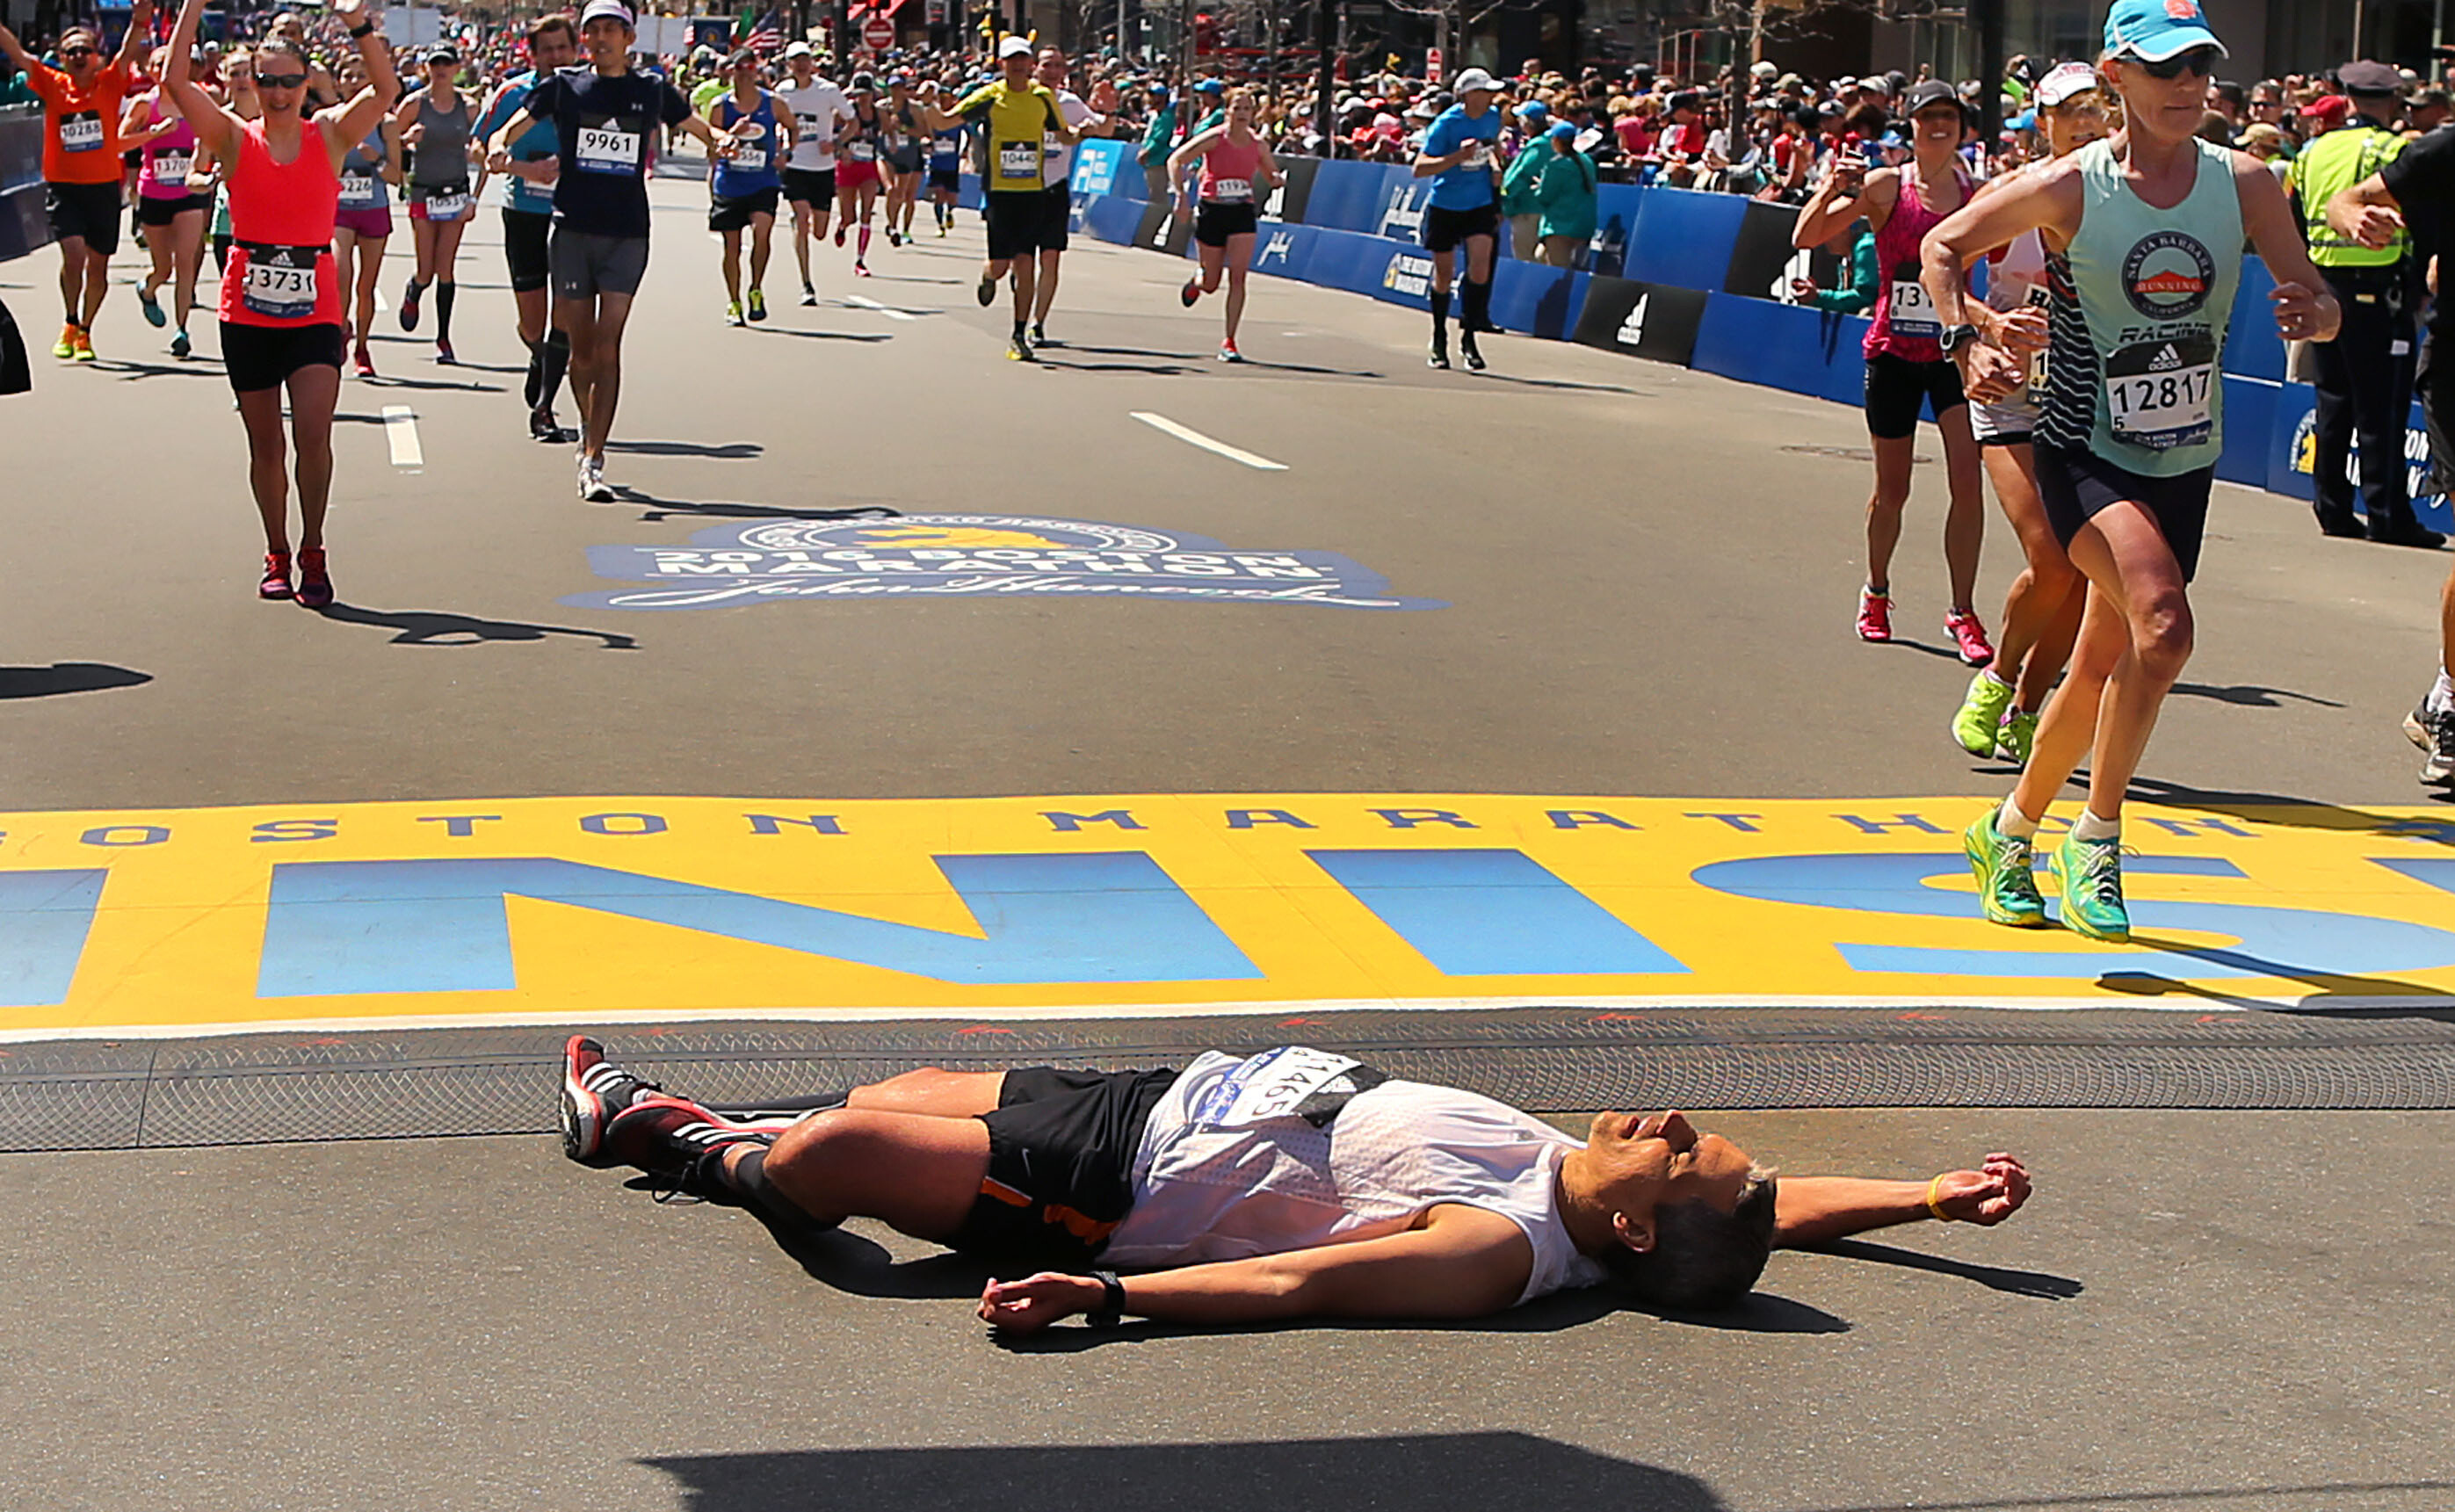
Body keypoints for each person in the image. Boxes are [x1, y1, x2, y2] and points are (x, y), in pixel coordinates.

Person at [556, 1037, 2033, 1331]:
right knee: (887, 1094)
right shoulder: (1617, 1194)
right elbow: (1764, 1212)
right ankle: (736, 1133)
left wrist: (1109, 1296)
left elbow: (1297, 1280)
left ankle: (661, 1133)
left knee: (832, 1159)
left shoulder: (1496, 1245)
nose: (1673, 1118)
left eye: (1679, 1145)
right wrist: (1921, 1196)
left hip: (1109, 1185)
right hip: (1165, 1095)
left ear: (1632, 1224)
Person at [1934, 0, 2339, 942]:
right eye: (2165, 69)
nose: (2187, 85)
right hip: (2083, 448)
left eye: (2199, 66)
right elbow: (1941, 246)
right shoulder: (2069, 186)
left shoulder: (2245, 182)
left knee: (2098, 665)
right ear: (2116, 75)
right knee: (2165, 626)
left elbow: (2317, 299)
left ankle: (2006, 831)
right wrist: (1968, 338)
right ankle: (2097, 837)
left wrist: (2313, 315)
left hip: (2184, 458)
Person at [159, 0, 398, 609]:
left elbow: (385, 90)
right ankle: (276, 551)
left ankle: (313, 547)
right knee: (266, 446)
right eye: (267, 81)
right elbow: (175, 82)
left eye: (291, 81)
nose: (279, 92)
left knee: (314, 435)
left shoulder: (331, 133)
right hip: (248, 310)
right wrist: (192, 7)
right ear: (255, 85)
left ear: (306, 82)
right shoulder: (233, 138)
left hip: (314, 307)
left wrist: (358, 24)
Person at [482, 0, 737, 503]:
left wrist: (720, 138)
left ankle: (594, 457)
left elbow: (698, 127)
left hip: (627, 233)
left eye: (611, 30)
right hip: (573, 230)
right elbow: (512, 127)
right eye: (593, 30)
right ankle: (586, 425)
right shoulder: (565, 85)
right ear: (585, 39)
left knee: (608, 345)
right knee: (581, 352)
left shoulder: (650, 89)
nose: (601, 38)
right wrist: (497, 145)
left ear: (628, 37)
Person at [1793, 78, 1992, 662]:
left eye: (1949, 117)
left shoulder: (1976, 196)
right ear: (1912, 124)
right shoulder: (1887, 186)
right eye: (1929, 116)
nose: (1940, 126)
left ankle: (1963, 611)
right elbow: (1807, 235)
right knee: (1893, 489)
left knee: (1968, 483)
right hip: (1893, 354)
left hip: (1952, 352)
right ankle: (1876, 590)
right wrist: (1832, 186)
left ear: (1962, 128)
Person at [1946, 61, 2106, 767]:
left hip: (2089, 399)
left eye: (2096, 109)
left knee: (2086, 571)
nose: (2085, 124)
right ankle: (1998, 677)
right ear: (2043, 122)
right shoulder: (2012, 194)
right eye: (2069, 111)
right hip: (2011, 392)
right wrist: (1986, 325)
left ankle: (2028, 706)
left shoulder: (2127, 199)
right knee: (2051, 555)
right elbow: (1938, 268)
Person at [2328, 74, 2455, 785]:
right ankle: (2453, 703)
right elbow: (2349, 198)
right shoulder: (2444, 150)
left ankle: (2439, 694)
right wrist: (2354, 217)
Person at [2287, 60, 2439, 547]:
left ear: (2347, 99)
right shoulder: (2395, 150)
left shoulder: (2311, 151)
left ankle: (2331, 508)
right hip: (2379, 291)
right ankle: (2387, 514)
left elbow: (2295, 217)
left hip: (2325, 289)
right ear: (2393, 102)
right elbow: (2421, 220)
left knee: (2333, 401)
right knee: (2382, 407)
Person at [0, 5, 154, 362]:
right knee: (74, 256)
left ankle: (85, 330)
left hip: (103, 188)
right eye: (72, 51)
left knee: (97, 268)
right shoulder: (53, 84)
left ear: (97, 57)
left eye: (86, 50)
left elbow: (129, 48)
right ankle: (70, 320)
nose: (80, 56)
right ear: (63, 58)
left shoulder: (110, 83)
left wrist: (141, 18)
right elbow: (17, 53)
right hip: (64, 188)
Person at [916, 35, 1080, 363]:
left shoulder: (1042, 97)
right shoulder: (990, 96)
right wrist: (927, 104)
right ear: (1002, 64)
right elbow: (945, 121)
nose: (1018, 65)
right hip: (1000, 193)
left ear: (1030, 63)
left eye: (1023, 59)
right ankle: (988, 275)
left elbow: (1064, 135)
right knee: (1002, 265)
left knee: (1026, 263)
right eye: (1011, 60)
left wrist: (1084, 131)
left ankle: (1019, 334)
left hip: (1033, 192)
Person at [475, 11, 579, 439]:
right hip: (524, 212)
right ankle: (539, 354)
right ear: (533, 55)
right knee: (533, 322)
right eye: (547, 50)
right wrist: (522, 168)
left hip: (576, 215)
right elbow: (481, 145)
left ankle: (545, 407)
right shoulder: (514, 93)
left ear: (576, 50)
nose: (556, 56)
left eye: (563, 48)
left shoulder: (590, 92)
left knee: (567, 313)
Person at [1171, 84, 1279, 362]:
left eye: (1247, 109)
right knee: (1211, 283)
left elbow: (1271, 174)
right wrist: (1181, 195)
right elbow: (1176, 160)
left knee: (1239, 276)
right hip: (1213, 210)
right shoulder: (1215, 138)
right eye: (1237, 108)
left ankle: (1229, 340)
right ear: (1227, 111)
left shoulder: (1258, 145)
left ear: (1253, 113)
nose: (1242, 113)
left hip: (1242, 211)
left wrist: (1277, 179)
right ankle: (1198, 281)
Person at [395, 46, 484, 363]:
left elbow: (484, 150)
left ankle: (443, 339)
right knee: (426, 269)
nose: (441, 69)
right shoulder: (414, 104)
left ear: (457, 68)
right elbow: (389, 139)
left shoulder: (468, 107)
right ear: (426, 69)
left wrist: (474, 197)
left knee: (445, 268)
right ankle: (415, 290)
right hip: (423, 191)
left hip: (455, 192)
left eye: (447, 63)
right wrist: (407, 140)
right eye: (435, 64)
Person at [1412, 68, 1504, 372]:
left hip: (1480, 201)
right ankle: (1439, 337)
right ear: (1468, 95)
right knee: (1444, 274)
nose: (1490, 97)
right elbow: (1420, 168)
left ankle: (1469, 337)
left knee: (1480, 267)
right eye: (1485, 91)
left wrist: (1495, 164)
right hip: (1446, 204)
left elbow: (1492, 145)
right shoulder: (1446, 124)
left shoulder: (1493, 117)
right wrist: (1457, 158)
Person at [122, 75, 211, 358]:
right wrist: (153, 134)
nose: (166, 73)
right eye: (160, 66)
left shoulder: (197, 101)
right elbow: (119, 143)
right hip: (154, 194)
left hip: (189, 193)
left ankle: (182, 329)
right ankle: (148, 289)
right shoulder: (144, 104)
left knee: (185, 260)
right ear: (152, 71)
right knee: (164, 268)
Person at [1025, 48, 1107, 348]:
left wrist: (1108, 111)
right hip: (1021, 189)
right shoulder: (1022, 98)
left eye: (1059, 66)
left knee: (1050, 259)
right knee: (1020, 262)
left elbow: (1103, 127)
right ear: (1035, 67)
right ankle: (1019, 306)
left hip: (1055, 189)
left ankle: (1037, 324)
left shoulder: (1071, 103)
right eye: (1048, 65)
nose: (1053, 71)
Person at [329, 54, 401, 378]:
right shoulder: (329, 120)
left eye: (361, 75)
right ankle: (340, 330)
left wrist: (377, 160)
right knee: (340, 274)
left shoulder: (386, 124)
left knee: (366, 286)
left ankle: (362, 347)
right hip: (339, 210)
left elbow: (397, 177)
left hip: (373, 208)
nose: (354, 81)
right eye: (348, 75)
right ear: (338, 82)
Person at [707, 47, 790, 326]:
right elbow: (712, 147)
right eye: (739, 68)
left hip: (763, 181)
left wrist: (785, 153)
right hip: (730, 183)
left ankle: (756, 289)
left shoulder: (773, 103)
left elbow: (792, 127)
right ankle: (734, 302)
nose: (744, 73)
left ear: (757, 71)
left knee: (762, 232)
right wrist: (733, 135)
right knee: (731, 247)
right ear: (730, 71)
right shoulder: (720, 106)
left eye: (750, 67)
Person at [775, 42, 851, 305]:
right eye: (796, 60)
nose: (801, 65)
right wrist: (780, 148)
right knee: (802, 219)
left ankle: (804, 223)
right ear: (789, 65)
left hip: (822, 167)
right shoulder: (782, 92)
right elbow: (775, 122)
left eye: (805, 59)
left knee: (819, 231)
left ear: (812, 63)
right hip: (795, 164)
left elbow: (852, 121)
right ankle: (807, 284)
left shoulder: (828, 90)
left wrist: (837, 143)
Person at [834, 74, 886, 276]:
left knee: (866, 213)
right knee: (850, 216)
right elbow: (828, 133)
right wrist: (841, 150)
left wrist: (892, 142)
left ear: (872, 94)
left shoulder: (879, 114)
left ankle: (860, 260)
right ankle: (843, 225)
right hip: (847, 167)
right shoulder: (845, 112)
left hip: (868, 167)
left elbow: (890, 131)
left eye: (866, 94)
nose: (862, 98)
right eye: (859, 94)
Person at [1532, 119, 1597, 268]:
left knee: (1559, 271)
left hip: (1560, 227)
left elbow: (1544, 196)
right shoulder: (1587, 161)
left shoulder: (1556, 165)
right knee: (1540, 255)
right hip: (1584, 225)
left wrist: (1540, 187)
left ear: (1556, 140)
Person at [880, 71, 925, 246]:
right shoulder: (881, 107)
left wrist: (903, 128)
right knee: (891, 190)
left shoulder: (914, 109)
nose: (896, 91)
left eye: (900, 87)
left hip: (908, 155)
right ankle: (892, 226)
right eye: (893, 87)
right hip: (886, 153)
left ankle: (905, 228)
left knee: (906, 195)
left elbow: (922, 132)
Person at [922, 82, 963, 237]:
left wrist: (965, 150)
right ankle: (940, 225)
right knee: (939, 194)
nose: (944, 101)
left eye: (947, 98)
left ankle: (950, 212)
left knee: (952, 198)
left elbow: (969, 134)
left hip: (952, 163)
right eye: (941, 98)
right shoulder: (932, 116)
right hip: (937, 162)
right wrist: (927, 143)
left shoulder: (956, 118)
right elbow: (925, 133)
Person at [1136, 79, 1178, 199]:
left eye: (1157, 96)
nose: (1153, 99)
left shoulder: (1166, 116)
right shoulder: (1156, 115)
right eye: (1152, 95)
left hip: (1159, 161)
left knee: (1158, 195)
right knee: (1153, 193)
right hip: (1151, 161)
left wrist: (1146, 151)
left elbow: (1160, 139)